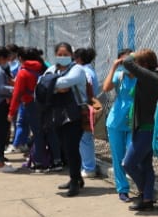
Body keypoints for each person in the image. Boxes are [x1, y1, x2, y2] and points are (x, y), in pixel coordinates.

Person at [120, 48, 158, 211]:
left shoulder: (150, 77)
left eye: (138, 62)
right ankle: (147, 199)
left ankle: (143, 190)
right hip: (141, 127)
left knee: (128, 163)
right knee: (146, 165)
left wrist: (134, 54)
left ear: (144, 64)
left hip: (147, 128)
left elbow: (126, 62)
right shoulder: (150, 75)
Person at [47, 42, 89, 196]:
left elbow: (66, 82)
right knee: (64, 147)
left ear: (71, 55)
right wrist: (55, 86)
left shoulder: (77, 69)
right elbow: (41, 83)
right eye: (60, 54)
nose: (62, 57)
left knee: (71, 148)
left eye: (66, 54)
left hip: (74, 114)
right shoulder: (53, 69)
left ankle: (75, 182)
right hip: (58, 114)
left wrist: (51, 85)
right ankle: (76, 178)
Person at [102, 47, 136, 202]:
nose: (127, 64)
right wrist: (115, 66)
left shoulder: (141, 77)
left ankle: (140, 187)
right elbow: (106, 88)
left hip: (135, 121)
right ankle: (122, 189)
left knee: (132, 153)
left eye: (130, 60)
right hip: (116, 121)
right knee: (118, 156)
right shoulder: (119, 75)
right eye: (124, 61)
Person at [8, 47, 45, 159]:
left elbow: (17, 93)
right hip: (42, 102)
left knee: (35, 132)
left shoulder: (23, 72)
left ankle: (38, 159)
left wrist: (11, 112)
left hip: (29, 103)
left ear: (21, 58)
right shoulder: (43, 67)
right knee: (41, 131)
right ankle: (48, 157)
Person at [74, 47, 103, 180]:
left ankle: (89, 168)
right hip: (86, 106)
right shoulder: (88, 70)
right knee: (83, 139)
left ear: (78, 59)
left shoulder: (84, 72)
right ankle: (87, 167)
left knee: (84, 139)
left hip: (84, 108)